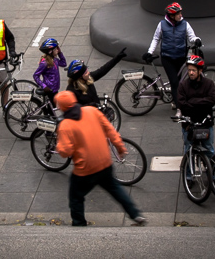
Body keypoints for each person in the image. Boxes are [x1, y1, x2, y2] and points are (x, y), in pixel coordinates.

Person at [54, 91, 147, 227]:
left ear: (62, 107)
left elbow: (65, 152)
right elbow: (110, 130)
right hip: (104, 162)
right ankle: (135, 214)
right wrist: (120, 147)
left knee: (76, 196)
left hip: (85, 169)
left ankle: (79, 224)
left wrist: (59, 145)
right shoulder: (92, 111)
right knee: (115, 189)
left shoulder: (65, 125)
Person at [143, 2, 201, 118]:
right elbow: (156, 39)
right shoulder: (162, 25)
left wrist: (197, 40)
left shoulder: (185, 24)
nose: (181, 15)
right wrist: (150, 52)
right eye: (178, 14)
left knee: (178, 82)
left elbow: (192, 37)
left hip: (180, 57)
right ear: (172, 16)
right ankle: (179, 109)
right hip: (167, 58)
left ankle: (175, 100)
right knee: (174, 82)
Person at [174, 55, 215, 164]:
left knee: (209, 150)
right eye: (189, 70)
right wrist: (202, 102)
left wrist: (192, 101)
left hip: (205, 123)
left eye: (193, 70)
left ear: (200, 70)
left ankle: (212, 172)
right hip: (189, 124)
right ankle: (188, 173)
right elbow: (182, 104)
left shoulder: (209, 84)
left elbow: (211, 101)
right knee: (188, 150)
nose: (191, 73)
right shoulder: (183, 85)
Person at [33, 38, 67, 105]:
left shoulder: (54, 60)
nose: (57, 50)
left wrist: (60, 53)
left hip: (55, 89)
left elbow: (64, 64)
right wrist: (44, 86)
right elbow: (35, 75)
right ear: (50, 51)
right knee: (51, 109)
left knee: (54, 107)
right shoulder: (45, 63)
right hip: (49, 90)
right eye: (56, 49)